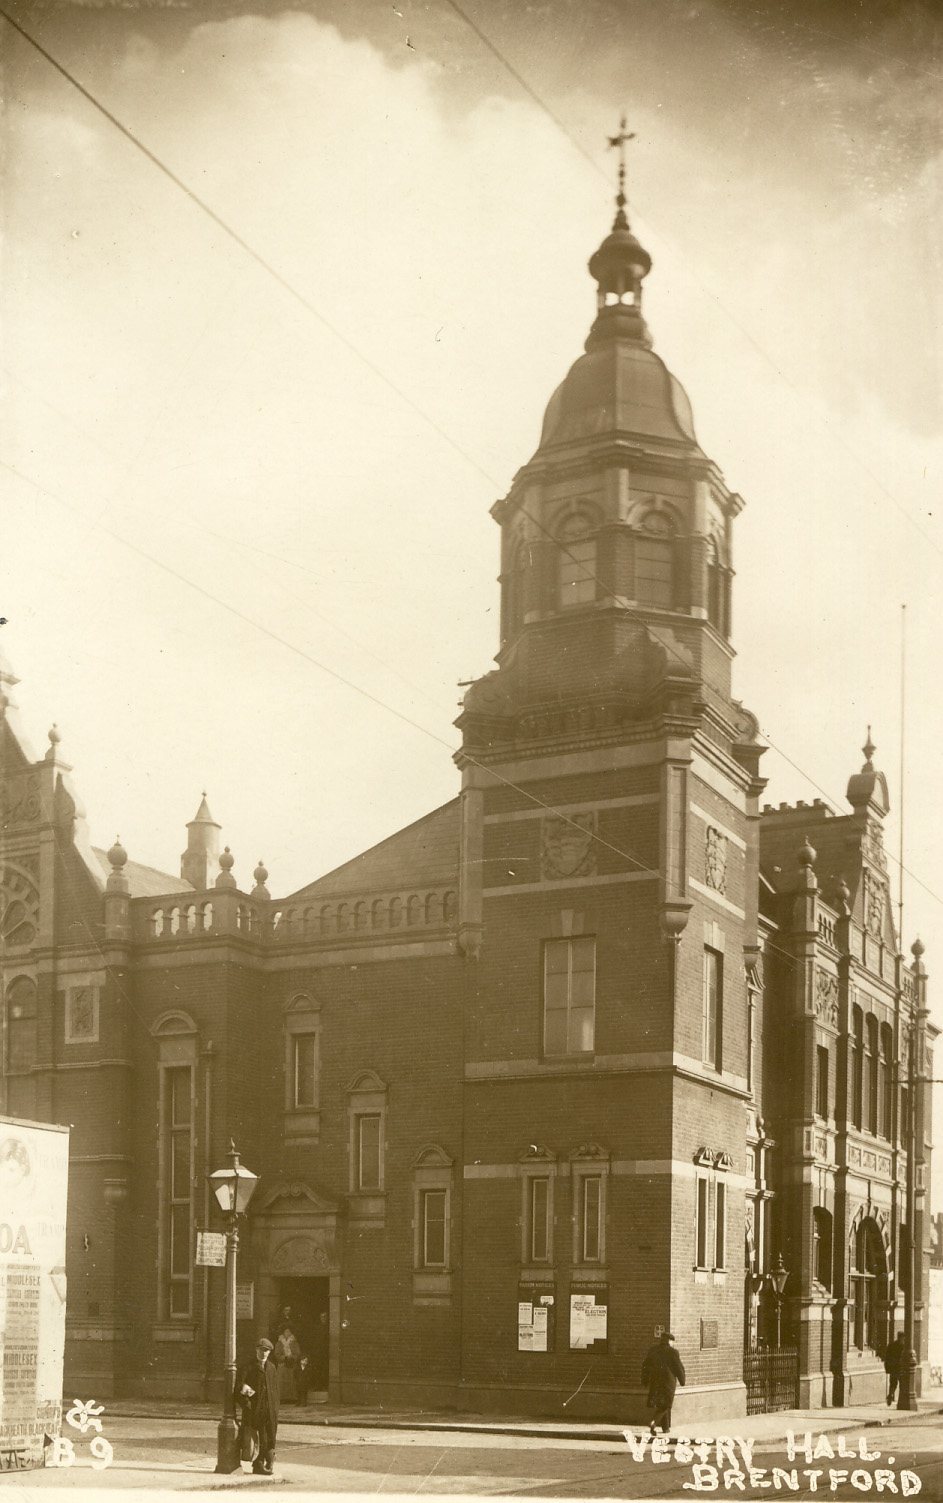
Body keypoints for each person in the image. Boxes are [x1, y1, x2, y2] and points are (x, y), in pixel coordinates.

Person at [235, 1336, 280, 1475]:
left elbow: (275, 1389)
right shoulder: (248, 1367)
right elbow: (238, 1389)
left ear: (269, 1352)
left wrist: (275, 1407)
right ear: (256, 1350)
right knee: (259, 1439)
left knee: (270, 1437)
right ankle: (258, 1464)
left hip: (269, 1411)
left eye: (266, 1351)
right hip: (255, 1411)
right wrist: (247, 1405)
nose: (263, 1353)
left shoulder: (271, 1368)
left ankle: (266, 1462)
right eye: (261, 1350)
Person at [641, 1331, 686, 1435]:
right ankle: (654, 1422)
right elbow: (678, 1367)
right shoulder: (672, 1352)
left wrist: (645, 1380)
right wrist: (682, 1381)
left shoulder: (653, 1350)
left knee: (662, 1403)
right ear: (670, 1341)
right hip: (667, 1382)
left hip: (655, 1382)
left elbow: (646, 1366)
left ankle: (665, 1428)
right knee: (666, 1405)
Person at [273, 1321, 303, 1404]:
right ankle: (281, 1397)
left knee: (292, 1380)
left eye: (289, 1332)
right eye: (286, 1331)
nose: (288, 1333)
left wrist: (292, 1358)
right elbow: (277, 1353)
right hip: (282, 1364)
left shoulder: (294, 1342)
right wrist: (284, 1358)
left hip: (291, 1364)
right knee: (281, 1380)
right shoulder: (279, 1343)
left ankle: (291, 1398)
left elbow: (297, 1353)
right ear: (283, 1333)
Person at [884, 1332, 906, 1406]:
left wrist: (887, 1368)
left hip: (893, 1368)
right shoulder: (904, 1347)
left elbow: (886, 1357)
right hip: (900, 1368)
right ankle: (900, 1399)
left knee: (893, 1383)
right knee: (902, 1384)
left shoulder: (891, 1345)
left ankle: (890, 1395)